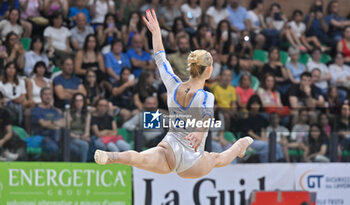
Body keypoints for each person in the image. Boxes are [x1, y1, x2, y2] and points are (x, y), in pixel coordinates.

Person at [94, 9, 253, 179]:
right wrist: (200, 132)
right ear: (209, 70)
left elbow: (161, 59)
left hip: (168, 148)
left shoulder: (173, 85)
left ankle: (113, 156)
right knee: (216, 158)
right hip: (191, 160)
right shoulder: (205, 96)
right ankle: (241, 144)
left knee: (138, 157)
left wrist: (156, 33)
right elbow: (207, 115)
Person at [31, 87, 65, 160]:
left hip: (58, 137)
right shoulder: (36, 110)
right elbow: (43, 124)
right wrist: (55, 123)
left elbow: (63, 123)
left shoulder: (56, 110)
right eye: (45, 94)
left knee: (71, 148)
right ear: (41, 96)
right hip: (43, 137)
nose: (47, 96)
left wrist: (51, 124)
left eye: (49, 94)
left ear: (52, 96)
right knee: (54, 148)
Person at [66, 93, 91, 162]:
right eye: (76, 101)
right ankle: (83, 165)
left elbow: (87, 131)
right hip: (71, 138)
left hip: (83, 137)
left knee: (94, 144)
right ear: (73, 102)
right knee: (84, 145)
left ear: (84, 102)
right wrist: (79, 137)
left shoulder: (87, 114)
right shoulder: (68, 113)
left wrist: (84, 136)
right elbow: (67, 131)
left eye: (81, 101)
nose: (79, 103)